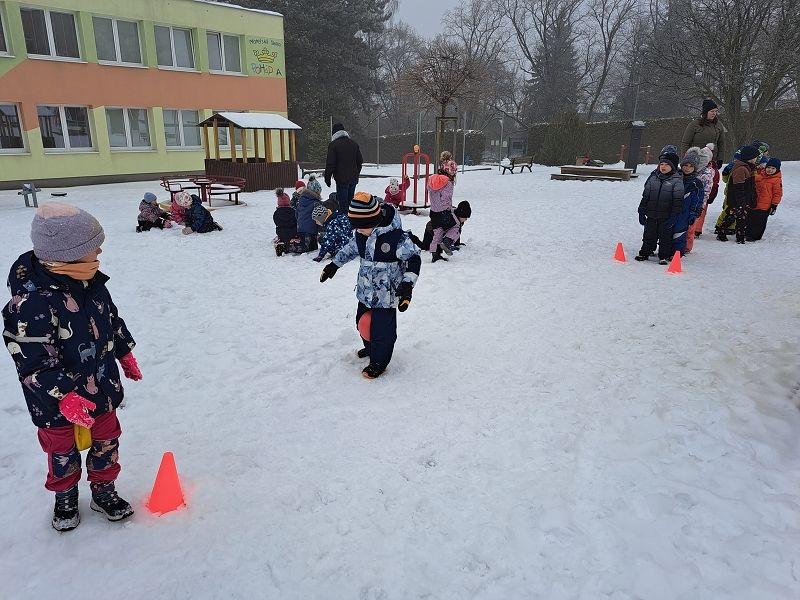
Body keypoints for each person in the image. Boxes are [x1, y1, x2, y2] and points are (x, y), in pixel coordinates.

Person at [2, 201, 141, 531]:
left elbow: (111, 320)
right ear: (68, 256)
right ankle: (65, 495)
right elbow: (32, 360)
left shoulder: (92, 283)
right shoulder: (30, 302)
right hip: (53, 400)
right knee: (62, 451)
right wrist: (63, 395)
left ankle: (103, 491)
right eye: (94, 247)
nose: (100, 251)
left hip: (101, 386)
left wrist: (124, 351)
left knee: (107, 442)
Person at [319, 192, 421, 379]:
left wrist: (407, 287)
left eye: (363, 227)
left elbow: (414, 259)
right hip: (365, 292)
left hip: (386, 296)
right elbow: (350, 249)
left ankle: (378, 363)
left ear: (375, 221)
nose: (360, 231)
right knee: (362, 322)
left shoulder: (396, 239)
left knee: (382, 331)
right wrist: (333, 265)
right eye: (357, 227)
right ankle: (372, 349)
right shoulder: (361, 234)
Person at [635, 150, 684, 263]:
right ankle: (644, 253)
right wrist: (641, 211)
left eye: (667, 164)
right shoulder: (653, 179)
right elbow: (645, 196)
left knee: (665, 238)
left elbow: (678, 201)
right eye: (662, 164)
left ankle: (663, 256)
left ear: (673, 166)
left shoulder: (677, 181)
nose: (663, 166)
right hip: (651, 215)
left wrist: (674, 216)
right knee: (648, 236)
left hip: (666, 217)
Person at [717, 144, 759, 243]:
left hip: (744, 199)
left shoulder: (750, 168)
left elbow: (750, 186)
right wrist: (740, 202)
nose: (756, 159)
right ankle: (721, 232)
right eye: (755, 157)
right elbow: (738, 187)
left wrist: (752, 198)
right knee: (731, 217)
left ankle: (740, 237)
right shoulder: (741, 169)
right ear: (750, 158)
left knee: (742, 219)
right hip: (736, 200)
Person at [324, 123, 363, 216]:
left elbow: (330, 163)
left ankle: (344, 221)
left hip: (341, 179)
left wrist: (327, 178)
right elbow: (360, 161)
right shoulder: (354, 144)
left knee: (343, 203)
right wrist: (356, 174)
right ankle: (352, 219)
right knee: (350, 202)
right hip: (353, 178)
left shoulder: (333, 145)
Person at [675, 149, 705, 256]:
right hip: (673, 210)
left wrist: (694, 212)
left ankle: (681, 250)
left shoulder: (696, 183)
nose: (687, 168)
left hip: (686, 211)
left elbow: (698, 200)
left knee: (684, 231)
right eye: (685, 165)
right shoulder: (676, 178)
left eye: (691, 166)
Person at [680, 99, 726, 168]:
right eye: (712, 111)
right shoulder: (694, 125)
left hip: (712, 160)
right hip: (696, 160)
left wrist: (720, 159)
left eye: (715, 111)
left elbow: (721, 143)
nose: (714, 113)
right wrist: (685, 159)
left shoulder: (718, 124)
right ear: (706, 112)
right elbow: (685, 143)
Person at [746, 157, 783, 241]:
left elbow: (777, 194)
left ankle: (755, 236)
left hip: (765, 206)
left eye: (773, 168)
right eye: (768, 167)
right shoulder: (759, 177)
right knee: (750, 219)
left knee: (759, 222)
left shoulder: (776, 180)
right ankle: (747, 233)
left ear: (777, 170)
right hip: (754, 203)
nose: (770, 170)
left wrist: (774, 205)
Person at [426, 173, 459, 262]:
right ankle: (447, 241)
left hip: (433, 212)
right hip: (444, 211)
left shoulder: (432, 180)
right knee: (456, 225)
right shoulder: (447, 183)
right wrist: (447, 210)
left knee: (438, 232)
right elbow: (446, 197)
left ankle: (435, 254)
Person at [693, 144, 718, 237]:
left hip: (706, 194)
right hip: (697, 193)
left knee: (701, 211)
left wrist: (712, 195)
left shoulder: (712, 170)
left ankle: (697, 229)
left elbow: (715, 184)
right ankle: (694, 228)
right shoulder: (696, 167)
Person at [295, 176, 322, 252]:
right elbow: (320, 218)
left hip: (302, 228)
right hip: (311, 230)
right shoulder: (317, 203)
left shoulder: (302, 200)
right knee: (306, 248)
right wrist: (321, 231)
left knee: (312, 248)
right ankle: (286, 247)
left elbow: (296, 213)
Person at [273, 188, 298, 257]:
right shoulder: (293, 211)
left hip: (281, 233)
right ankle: (292, 243)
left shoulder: (276, 213)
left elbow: (276, 222)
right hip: (293, 233)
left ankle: (281, 244)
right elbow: (296, 221)